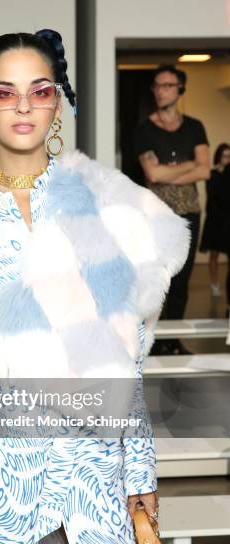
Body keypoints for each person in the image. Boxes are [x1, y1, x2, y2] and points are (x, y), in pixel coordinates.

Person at [0, 31, 190, 544]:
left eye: (39, 90)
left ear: (57, 98)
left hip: (87, 438)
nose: (22, 106)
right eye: (4, 92)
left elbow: (124, 351)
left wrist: (138, 468)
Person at [134, 64, 210, 355]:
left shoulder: (195, 127)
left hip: (190, 212)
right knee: (157, 279)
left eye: (167, 85)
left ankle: (173, 340)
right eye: (157, 86)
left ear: (180, 90)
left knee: (182, 281)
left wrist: (173, 170)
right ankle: (152, 341)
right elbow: (153, 175)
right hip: (157, 215)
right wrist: (189, 165)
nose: (160, 91)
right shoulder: (145, 130)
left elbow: (205, 169)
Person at [199, 143, 230, 304]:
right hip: (216, 219)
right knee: (214, 254)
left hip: (229, 218)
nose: (228, 159)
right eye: (225, 155)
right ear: (219, 157)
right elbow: (211, 196)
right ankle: (214, 283)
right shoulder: (211, 174)